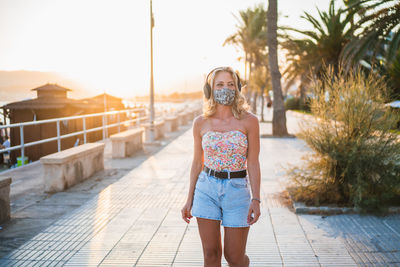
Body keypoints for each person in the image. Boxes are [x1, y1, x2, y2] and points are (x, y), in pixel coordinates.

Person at [181, 66, 261, 267]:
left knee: (234, 257)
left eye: (230, 84)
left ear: (237, 89)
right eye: (220, 84)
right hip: (206, 188)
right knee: (210, 255)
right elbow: (196, 162)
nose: (225, 89)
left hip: (237, 190)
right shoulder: (200, 122)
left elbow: (253, 162)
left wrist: (256, 199)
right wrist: (189, 198)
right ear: (210, 89)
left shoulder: (250, 121)